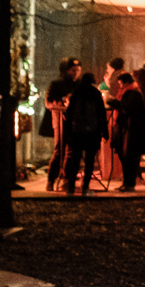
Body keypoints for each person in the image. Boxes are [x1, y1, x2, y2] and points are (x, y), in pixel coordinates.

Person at [60, 69, 108, 195]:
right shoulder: (95, 93)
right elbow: (101, 113)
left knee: (75, 160)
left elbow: (69, 113)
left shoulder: (76, 92)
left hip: (77, 132)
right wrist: (104, 131)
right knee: (89, 161)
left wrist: (68, 132)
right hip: (92, 132)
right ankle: (85, 187)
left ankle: (71, 187)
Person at [43, 58, 79, 190]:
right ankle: (51, 179)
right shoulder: (57, 84)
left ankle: (66, 179)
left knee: (71, 151)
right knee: (59, 149)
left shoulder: (79, 84)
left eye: (78, 70)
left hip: (75, 121)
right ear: (66, 71)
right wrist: (62, 101)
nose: (76, 73)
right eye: (73, 70)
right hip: (60, 120)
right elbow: (48, 102)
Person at [114, 70, 145, 191]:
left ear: (125, 83)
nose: (120, 87)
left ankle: (129, 183)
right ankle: (127, 182)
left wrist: (117, 104)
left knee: (129, 157)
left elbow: (130, 109)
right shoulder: (132, 92)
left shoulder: (133, 93)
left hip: (131, 129)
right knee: (126, 157)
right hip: (127, 128)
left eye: (120, 84)